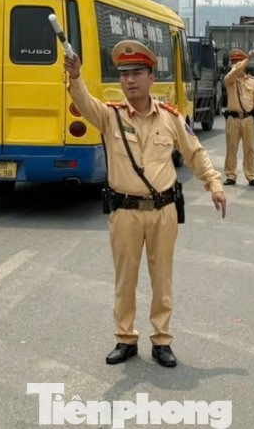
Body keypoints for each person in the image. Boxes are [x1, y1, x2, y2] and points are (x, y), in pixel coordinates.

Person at [64, 39, 227, 369]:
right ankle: (125, 338)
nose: (129, 80)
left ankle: (162, 340)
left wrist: (214, 183)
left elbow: (195, 152)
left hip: (163, 211)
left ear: (151, 77)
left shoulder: (170, 118)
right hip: (124, 212)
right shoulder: (109, 116)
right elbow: (82, 102)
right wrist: (76, 76)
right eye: (124, 74)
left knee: (162, 278)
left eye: (137, 73)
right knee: (125, 280)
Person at [222, 48, 254, 186]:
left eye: (237, 62)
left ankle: (251, 176)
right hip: (233, 119)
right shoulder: (229, 79)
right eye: (233, 62)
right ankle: (230, 175)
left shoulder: (252, 82)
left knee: (250, 149)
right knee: (231, 148)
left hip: (248, 119)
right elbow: (234, 73)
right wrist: (248, 59)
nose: (234, 64)